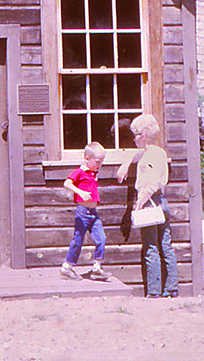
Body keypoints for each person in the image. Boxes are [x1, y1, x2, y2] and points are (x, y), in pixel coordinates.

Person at [117, 113, 178, 298]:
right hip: (162, 202)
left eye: (135, 135)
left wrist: (139, 203)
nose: (134, 139)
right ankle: (171, 288)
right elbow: (136, 154)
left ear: (142, 136)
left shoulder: (150, 156)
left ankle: (153, 291)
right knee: (166, 245)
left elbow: (150, 183)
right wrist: (127, 162)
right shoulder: (158, 152)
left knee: (151, 246)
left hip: (150, 203)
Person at [60, 141, 108, 280]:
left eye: (101, 162)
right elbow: (67, 183)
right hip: (83, 213)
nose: (99, 165)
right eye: (98, 161)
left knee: (101, 238)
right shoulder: (79, 172)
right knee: (78, 240)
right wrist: (79, 192)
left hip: (94, 214)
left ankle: (97, 267)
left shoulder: (94, 172)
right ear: (87, 158)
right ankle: (67, 268)